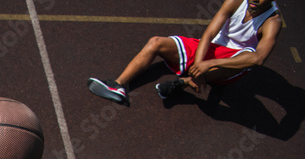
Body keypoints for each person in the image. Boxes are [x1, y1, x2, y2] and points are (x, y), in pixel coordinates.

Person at [87, 0, 282, 106]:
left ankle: (188, 81)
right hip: (210, 51)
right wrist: (199, 64)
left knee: (247, 56)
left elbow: (258, 59)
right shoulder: (236, 1)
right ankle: (118, 86)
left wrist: (206, 66)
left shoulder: (272, 22)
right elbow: (209, 33)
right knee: (155, 43)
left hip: (230, 64)